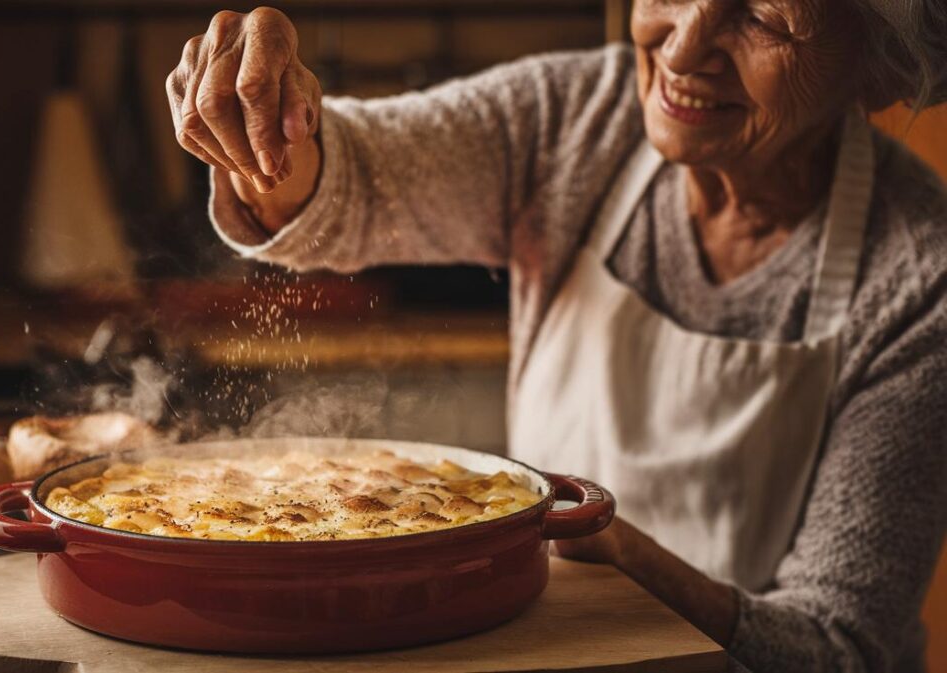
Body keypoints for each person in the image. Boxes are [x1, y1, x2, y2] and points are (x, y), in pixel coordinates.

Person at [166, 2, 947, 670]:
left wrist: (616, 554)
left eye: (764, 17)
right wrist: (272, 128)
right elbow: (356, 178)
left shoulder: (921, 276)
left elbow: (842, 648)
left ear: (879, 67)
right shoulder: (577, 117)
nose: (681, 48)